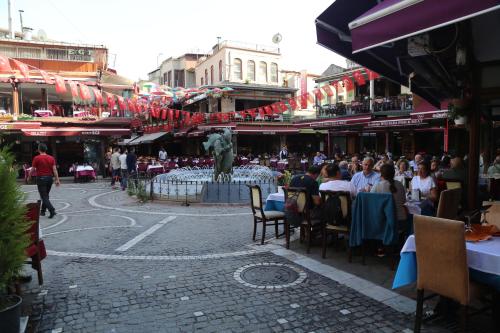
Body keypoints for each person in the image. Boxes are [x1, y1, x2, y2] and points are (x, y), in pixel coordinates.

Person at [28, 143, 60, 218]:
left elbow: (32, 169)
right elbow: (54, 169)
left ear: (39, 149)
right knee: (46, 195)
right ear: (46, 149)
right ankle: (42, 211)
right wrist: (57, 179)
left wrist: (29, 176)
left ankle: (52, 210)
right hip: (49, 179)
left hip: (41, 179)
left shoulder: (36, 158)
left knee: (44, 196)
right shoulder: (51, 158)